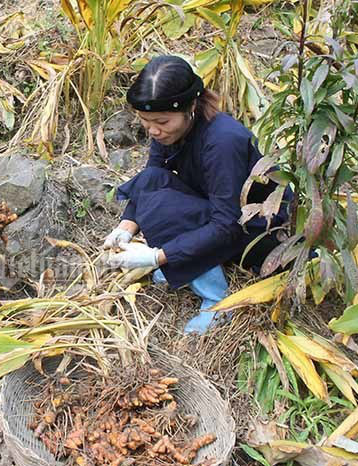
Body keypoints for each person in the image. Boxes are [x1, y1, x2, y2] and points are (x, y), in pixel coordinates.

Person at [103, 55, 292, 334]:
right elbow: (152, 175)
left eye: (162, 121)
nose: (154, 130)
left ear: (191, 106)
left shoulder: (223, 142)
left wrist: (158, 257)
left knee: (162, 205)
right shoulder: (172, 131)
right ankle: (191, 264)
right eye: (145, 121)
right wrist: (126, 227)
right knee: (154, 182)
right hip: (222, 213)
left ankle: (217, 301)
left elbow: (227, 223)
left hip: (262, 235)